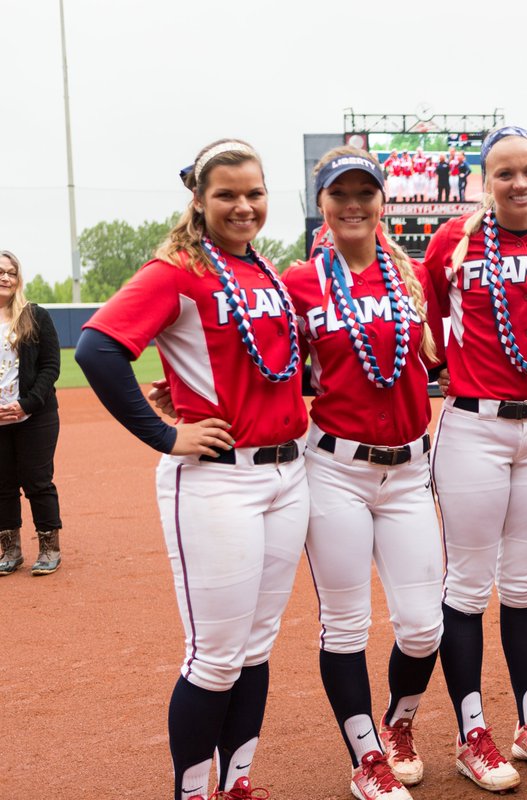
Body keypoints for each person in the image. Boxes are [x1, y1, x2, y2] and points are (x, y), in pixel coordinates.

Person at [75, 139, 309, 800]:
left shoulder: (260, 266)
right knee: (214, 658)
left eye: (254, 193)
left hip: (286, 478)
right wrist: (164, 433)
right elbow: (96, 347)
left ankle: (236, 784)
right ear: (199, 202)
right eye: (227, 195)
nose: (243, 205)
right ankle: (192, 792)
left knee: (255, 649)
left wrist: (183, 380)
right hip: (218, 479)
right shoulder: (177, 268)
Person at [422, 125, 527, 793]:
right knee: (466, 588)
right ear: (482, 182)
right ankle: (472, 734)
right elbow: (429, 326)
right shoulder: (450, 243)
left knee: (523, 586)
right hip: (475, 428)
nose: (520, 183)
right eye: (505, 173)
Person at [285, 148, 446, 800]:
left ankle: (398, 724)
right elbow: (267, 369)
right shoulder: (299, 282)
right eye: (339, 192)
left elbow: (439, 355)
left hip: (409, 470)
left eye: (365, 191)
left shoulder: (409, 275)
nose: (353, 203)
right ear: (322, 202)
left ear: (382, 201)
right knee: (346, 624)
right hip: (336, 471)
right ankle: (367, 758)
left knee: (423, 624)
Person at [0, 249, 62, 577]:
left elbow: (51, 366)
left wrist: (28, 403)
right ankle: (10, 549)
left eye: (11, 272)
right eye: (0, 272)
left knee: (37, 481)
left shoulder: (34, 316)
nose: (5, 277)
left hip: (35, 415)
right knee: (2, 484)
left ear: (18, 279)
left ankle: (49, 546)